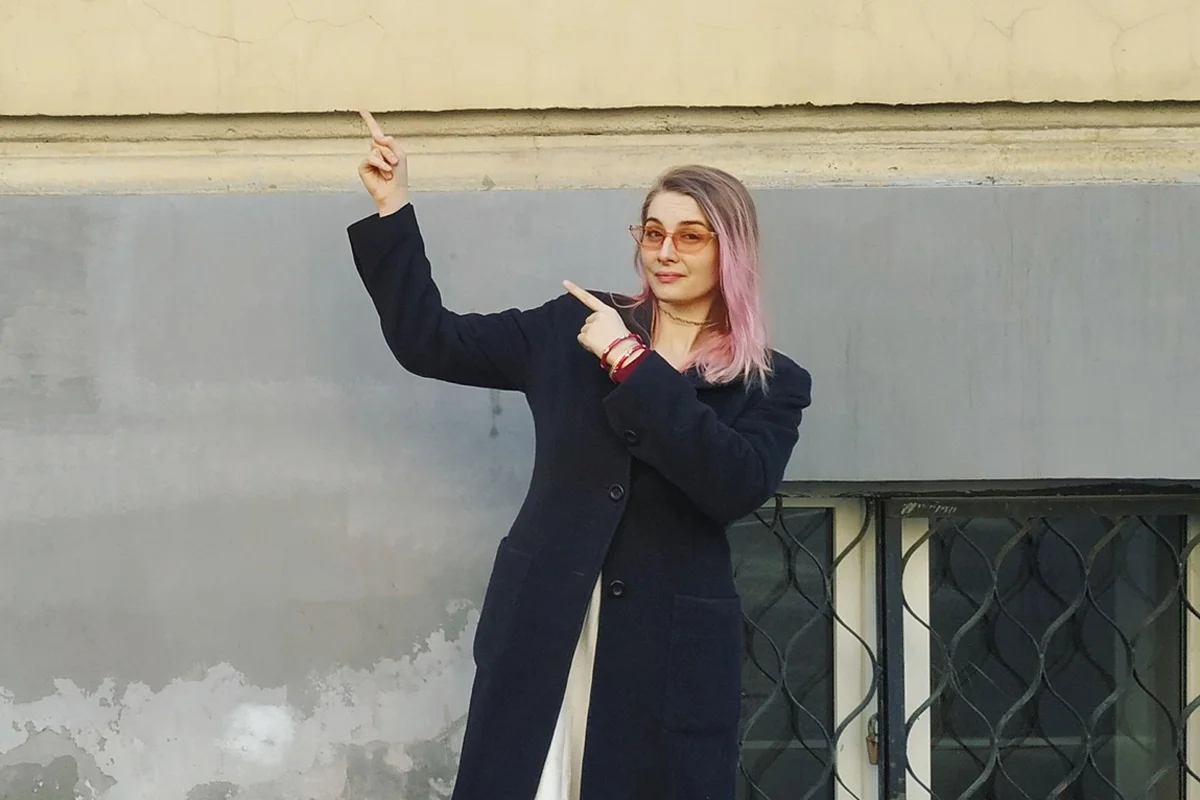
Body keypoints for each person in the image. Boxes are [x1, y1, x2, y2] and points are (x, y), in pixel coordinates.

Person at [347, 110, 812, 800]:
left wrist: (631, 363)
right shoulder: (575, 325)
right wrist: (393, 206)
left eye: (690, 236)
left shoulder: (769, 382)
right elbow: (430, 341)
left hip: (663, 644)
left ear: (730, 250)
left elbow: (734, 484)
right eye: (652, 232)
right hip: (543, 620)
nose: (665, 251)